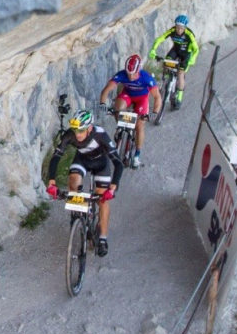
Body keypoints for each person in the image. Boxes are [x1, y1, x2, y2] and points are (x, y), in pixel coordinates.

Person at [44, 110, 124, 257]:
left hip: (101, 164)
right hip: (82, 160)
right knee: (73, 181)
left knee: (103, 200)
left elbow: (118, 163)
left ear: (90, 128)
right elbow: (56, 157)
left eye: (81, 130)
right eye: (75, 130)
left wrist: (113, 188)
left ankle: (102, 239)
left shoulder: (101, 135)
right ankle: (77, 213)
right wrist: (52, 182)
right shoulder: (70, 134)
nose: (77, 134)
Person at [97, 53, 162, 167]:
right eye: (128, 73)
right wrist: (102, 103)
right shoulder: (121, 74)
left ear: (139, 70)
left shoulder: (146, 78)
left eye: (133, 74)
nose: (131, 77)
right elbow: (107, 89)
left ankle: (137, 154)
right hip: (127, 95)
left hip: (142, 99)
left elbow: (157, 97)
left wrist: (154, 112)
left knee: (139, 126)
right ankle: (120, 129)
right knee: (118, 108)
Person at [149, 15, 200, 109]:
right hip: (175, 51)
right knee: (166, 63)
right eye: (177, 27)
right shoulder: (172, 31)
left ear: (185, 27)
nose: (179, 30)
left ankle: (179, 97)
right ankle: (166, 79)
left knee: (180, 74)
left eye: (181, 28)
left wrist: (192, 59)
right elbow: (160, 39)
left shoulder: (189, 34)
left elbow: (196, 49)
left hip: (186, 54)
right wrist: (153, 50)